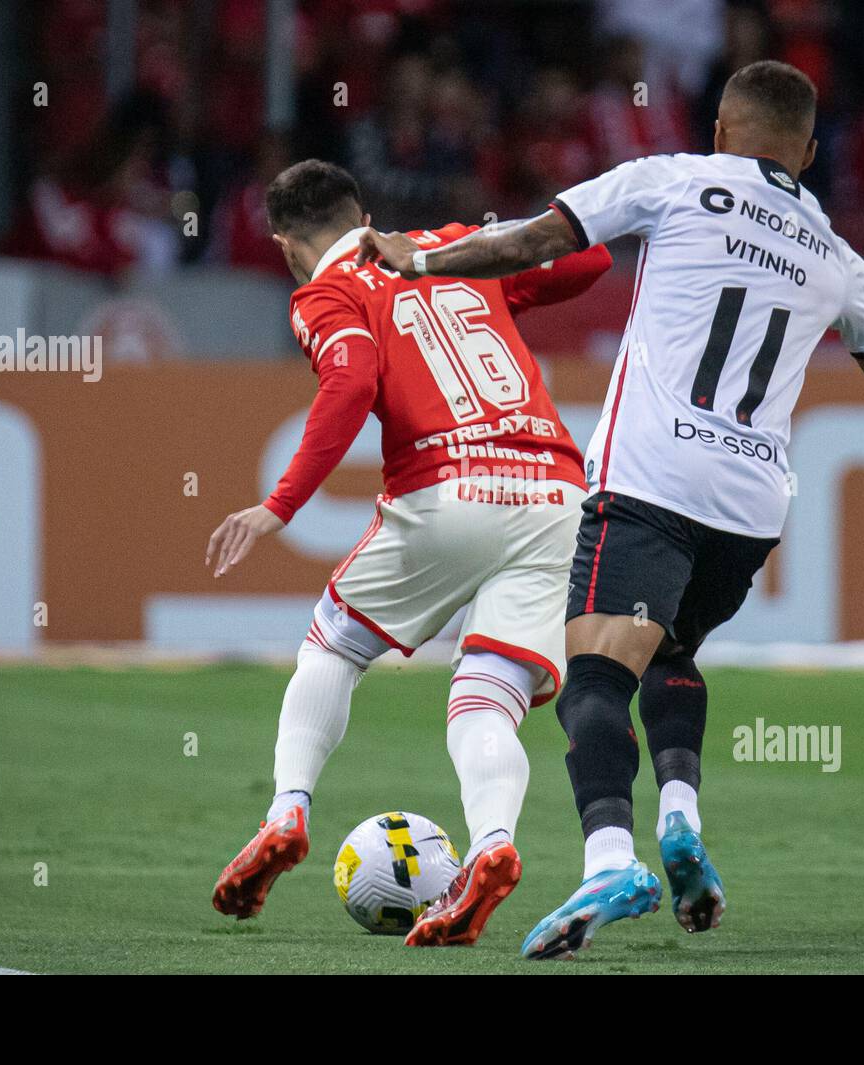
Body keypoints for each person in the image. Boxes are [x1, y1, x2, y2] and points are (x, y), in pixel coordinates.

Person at [357, 60, 864, 959]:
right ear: (808, 153)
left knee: (593, 681)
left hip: (654, 483)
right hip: (750, 507)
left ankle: (610, 859)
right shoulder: (838, 256)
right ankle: (683, 818)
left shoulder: (673, 179)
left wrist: (417, 259)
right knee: (674, 650)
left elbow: (530, 242)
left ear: (722, 131)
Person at [206, 160, 612, 947]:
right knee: (487, 693)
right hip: (558, 490)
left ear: (287, 244)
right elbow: (587, 259)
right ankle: (491, 845)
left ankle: (288, 809)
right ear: (362, 210)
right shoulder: (453, 246)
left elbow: (352, 380)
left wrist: (278, 504)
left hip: (448, 483)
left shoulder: (325, 291)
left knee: (335, 640)